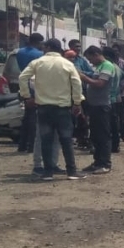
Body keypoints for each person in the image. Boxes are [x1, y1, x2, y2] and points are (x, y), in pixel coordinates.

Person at [18, 38, 87, 181]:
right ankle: (71, 172)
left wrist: (26, 97)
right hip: (63, 108)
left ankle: (48, 172)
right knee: (66, 140)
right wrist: (77, 102)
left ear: (48, 47)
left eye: (44, 47)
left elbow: (22, 77)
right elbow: (76, 83)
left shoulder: (38, 63)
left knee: (46, 140)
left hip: (43, 108)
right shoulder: (67, 64)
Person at [80, 45, 120, 173]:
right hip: (95, 106)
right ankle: (97, 162)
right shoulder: (99, 67)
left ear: (96, 54)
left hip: (102, 106)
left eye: (90, 59)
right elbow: (93, 76)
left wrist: (84, 78)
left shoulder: (107, 66)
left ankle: (105, 164)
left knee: (103, 136)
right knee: (96, 135)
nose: (90, 62)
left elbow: (100, 84)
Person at [16, 33, 44, 153]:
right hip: (34, 83)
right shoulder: (39, 55)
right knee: (34, 117)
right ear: (38, 42)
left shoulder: (19, 52)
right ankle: (31, 145)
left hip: (23, 82)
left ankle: (22, 145)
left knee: (27, 116)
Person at [108, 47, 124, 145]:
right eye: (114, 51)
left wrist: (123, 88)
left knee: (122, 115)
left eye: (117, 51)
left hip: (121, 93)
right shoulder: (110, 65)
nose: (116, 53)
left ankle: (123, 134)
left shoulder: (123, 64)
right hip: (113, 95)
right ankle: (115, 135)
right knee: (114, 116)